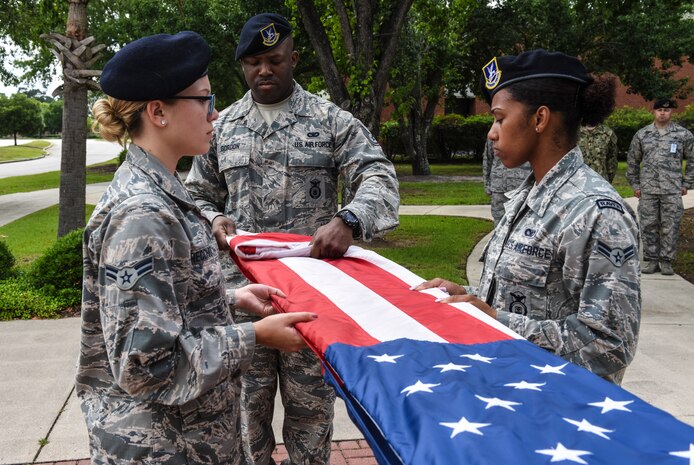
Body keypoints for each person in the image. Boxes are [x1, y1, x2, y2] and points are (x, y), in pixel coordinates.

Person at [77, 31, 317, 465]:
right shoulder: (144, 215)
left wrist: (229, 298)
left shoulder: (160, 193)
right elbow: (145, 366)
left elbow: (158, 303)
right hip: (165, 446)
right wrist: (254, 335)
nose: (215, 112)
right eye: (204, 99)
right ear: (158, 112)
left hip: (186, 440)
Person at [184, 13, 400, 465]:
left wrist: (350, 219)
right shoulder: (221, 127)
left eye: (274, 60)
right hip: (244, 300)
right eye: (254, 62)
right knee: (245, 416)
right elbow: (196, 195)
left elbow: (379, 175)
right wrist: (215, 218)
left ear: (294, 60)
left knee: (311, 418)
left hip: (311, 297)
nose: (264, 70)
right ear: (241, 66)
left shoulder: (328, 119)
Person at [415, 49, 641, 385]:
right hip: (512, 395)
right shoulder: (528, 195)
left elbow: (611, 343)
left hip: (560, 417)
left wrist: (495, 321)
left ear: (539, 119)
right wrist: (464, 294)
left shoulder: (595, 211)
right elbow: (530, 298)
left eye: (500, 118)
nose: (492, 132)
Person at [626, 98, 694, 275]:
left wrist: (687, 183)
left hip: (672, 189)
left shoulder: (682, 134)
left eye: (667, 110)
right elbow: (633, 161)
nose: (663, 113)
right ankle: (652, 259)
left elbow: (692, 160)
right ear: (653, 112)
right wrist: (635, 184)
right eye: (659, 110)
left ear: (672, 112)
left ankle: (666, 261)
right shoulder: (643, 134)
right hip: (648, 189)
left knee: (670, 225)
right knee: (648, 225)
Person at [577, 73, 619, 183]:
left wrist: (606, 183)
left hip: (600, 184)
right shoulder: (573, 133)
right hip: (578, 185)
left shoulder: (608, 134)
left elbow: (612, 164)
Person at [482, 138, 532, 225]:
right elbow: (488, 160)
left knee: (522, 221)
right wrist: (487, 185)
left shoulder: (527, 133)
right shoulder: (494, 135)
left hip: (522, 187)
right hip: (499, 187)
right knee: (499, 221)